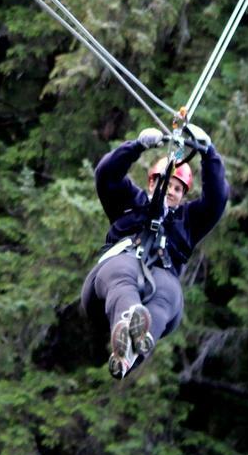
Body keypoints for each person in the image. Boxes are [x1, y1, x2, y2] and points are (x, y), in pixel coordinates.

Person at [79, 123, 228, 379]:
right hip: (108, 281)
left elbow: (217, 200)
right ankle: (129, 318)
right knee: (123, 269)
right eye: (166, 183)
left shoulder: (187, 221)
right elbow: (106, 175)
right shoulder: (128, 201)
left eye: (177, 188)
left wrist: (209, 154)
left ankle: (130, 351)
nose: (170, 190)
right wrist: (136, 147)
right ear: (151, 182)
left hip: (159, 279)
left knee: (167, 290)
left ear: (183, 195)